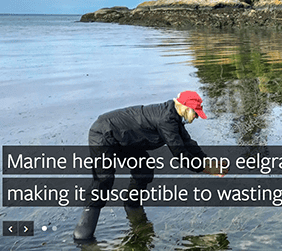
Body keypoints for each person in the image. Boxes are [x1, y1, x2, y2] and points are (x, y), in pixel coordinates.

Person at [73, 90, 225, 240]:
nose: (197, 117)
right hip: (103, 134)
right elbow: (180, 154)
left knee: (143, 168)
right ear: (185, 108)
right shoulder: (166, 119)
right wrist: (206, 169)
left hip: (123, 139)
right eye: (196, 113)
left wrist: (207, 160)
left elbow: (188, 144)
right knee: (104, 180)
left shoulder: (173, 117)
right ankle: (83, 235)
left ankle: (132, 206)